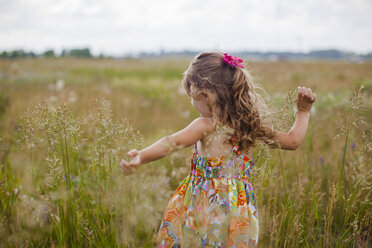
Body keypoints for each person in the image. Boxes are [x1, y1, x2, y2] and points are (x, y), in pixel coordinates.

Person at [120, 51, 316, 247]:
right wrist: (303, 111)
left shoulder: (205, 125)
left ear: (204, 95)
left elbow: (172, 142)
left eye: (192, 97)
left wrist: (142, 156)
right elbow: (293, 141)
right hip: (237, 212)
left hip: (203, 209)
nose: (192, 102)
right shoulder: (250, 124)